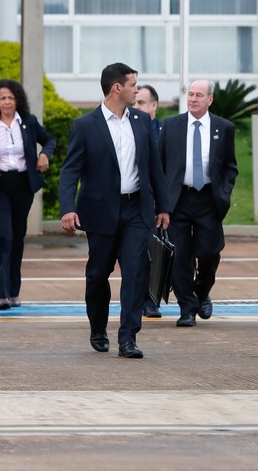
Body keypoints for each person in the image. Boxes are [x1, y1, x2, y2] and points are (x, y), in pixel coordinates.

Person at [59, 62, 171, 359]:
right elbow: (71, 171)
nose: (138, 89)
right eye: (134, 85)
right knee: (97, 275)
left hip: (137, 210)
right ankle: (98, 327)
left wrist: (163, 206)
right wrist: (68, 208)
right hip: (100, 213)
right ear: (116, 88)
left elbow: (153, 168)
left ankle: (128, 338)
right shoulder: (85, 125)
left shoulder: (142, 120)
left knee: (135, 273)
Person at [159, 80, 237, 328]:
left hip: (208, 199)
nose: (193, 99)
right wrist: (161, 201)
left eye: (199, 95)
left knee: (210, 252)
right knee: (180, 255)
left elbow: (230, 166)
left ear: (209, 100)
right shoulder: (171, 125)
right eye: (190, 94)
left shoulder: (223, 128)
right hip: (178, 199)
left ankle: (201, 292)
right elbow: (160, 164)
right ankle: (187, 308)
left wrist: (224, 191)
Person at [0, 79, 55, 311]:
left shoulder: (28, 122)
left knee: (17, 238)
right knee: (3, 237)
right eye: (3, 97)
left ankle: (14, 291)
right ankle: (1, 293)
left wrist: (44, 154)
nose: (7, 102)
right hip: (0, 186)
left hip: (23, 185)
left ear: (18, 101)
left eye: (11, 98)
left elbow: (49, 140)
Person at [135, 83, 164, 317]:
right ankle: (144, 299)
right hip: (138, 203)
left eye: (142, 102)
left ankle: (154, 297)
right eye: (136, 102)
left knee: (160, 253)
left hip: (162, 203)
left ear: (154, 106)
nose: (138, 106)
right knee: (139, 253)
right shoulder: (130, 128)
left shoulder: (167, 131)